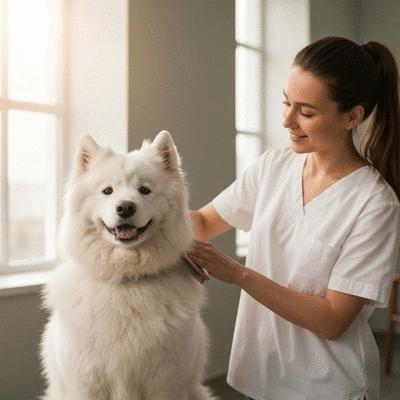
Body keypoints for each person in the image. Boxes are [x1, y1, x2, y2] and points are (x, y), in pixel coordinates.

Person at [188, 37, 400, 400]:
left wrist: (237, 274)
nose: (287, 120)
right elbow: (204, 223)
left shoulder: (375, 204)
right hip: (261, 378)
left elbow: (332, 320)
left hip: (327, 388)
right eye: (286, 102)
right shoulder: (274, 166)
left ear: (352, 117)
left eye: (306, 111)